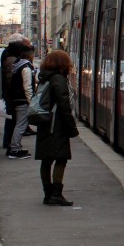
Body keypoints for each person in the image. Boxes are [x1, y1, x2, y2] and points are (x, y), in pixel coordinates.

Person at [35, 49, 79, 206]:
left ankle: (48, 194)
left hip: (44, 123)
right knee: (61, 158)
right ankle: (56, 194)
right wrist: (72, 127)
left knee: (46, 160)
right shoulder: (59, 80)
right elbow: (64, 105)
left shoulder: (43, 78)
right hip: (56, 125)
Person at [0, 34, 31, 154]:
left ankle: (11, 144)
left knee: (14, 120)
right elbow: (14, 81)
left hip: (12, 95)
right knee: (15, 121)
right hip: (15, 96)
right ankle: (12, 146)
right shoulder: (14, 60)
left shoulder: (8, 55)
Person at [6, 44, 36, 159]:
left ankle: (15, 147)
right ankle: (15, 149)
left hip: (16, 99)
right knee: (21, 124)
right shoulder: (26, 67)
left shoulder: (17, 65)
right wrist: (31, 101)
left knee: (18, 124)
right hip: (23, 100)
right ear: (30, 55)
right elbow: (27, 87)